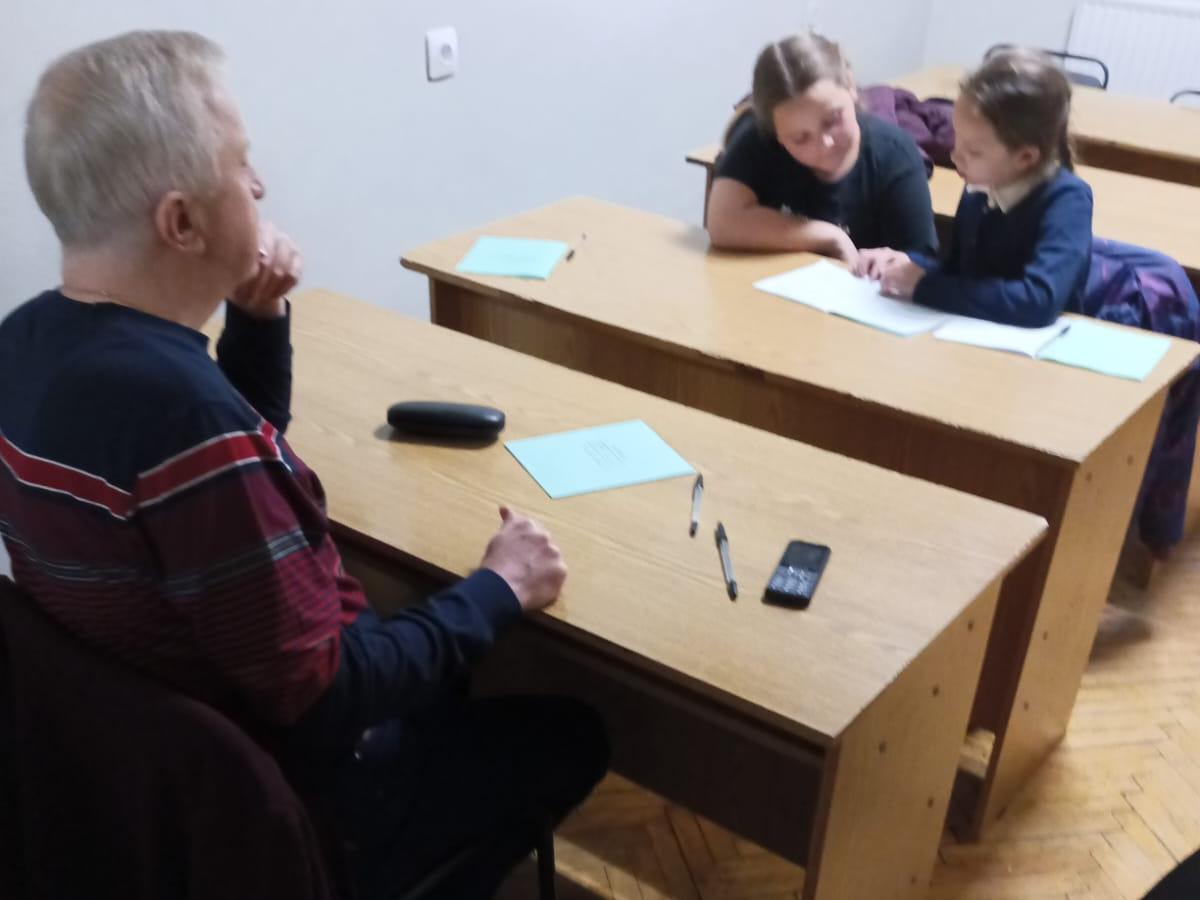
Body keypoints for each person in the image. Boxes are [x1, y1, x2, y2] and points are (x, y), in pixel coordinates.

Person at [0, 30, 607, 898]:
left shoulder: (26, 345)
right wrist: (499, 587)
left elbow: (220, 479)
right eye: (241, 164)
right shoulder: (186, 417)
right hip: (302, 790)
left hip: (147, 771)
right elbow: (326, 696)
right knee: (574, 729)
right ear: (181, 222)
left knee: (430, 628)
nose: (259, 185)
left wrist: (255, 321)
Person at [857, 48, 1094, 328]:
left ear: (1025, 157)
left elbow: (1038, 301)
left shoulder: (1067, 201)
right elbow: (960, 273)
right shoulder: (979, 186)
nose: (955, 156)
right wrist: (909, 263)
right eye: (957, 139)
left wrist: (924, 285)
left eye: (974, 151)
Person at [706, 32, 938, 265]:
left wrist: (898, 263)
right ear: (777, 134)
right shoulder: (758, 138)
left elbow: (921, 263)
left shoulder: (894, 154)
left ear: (850, 86)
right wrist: (831, 237)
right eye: (800, 138)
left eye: (833, 120)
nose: (825, 143)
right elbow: (722, 221)